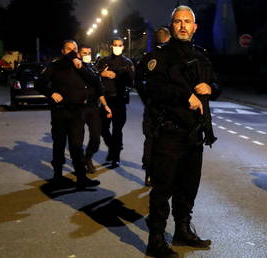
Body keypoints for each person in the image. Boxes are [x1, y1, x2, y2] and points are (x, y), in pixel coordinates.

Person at [144, 6, 221, 257]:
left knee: (188, 187)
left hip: (195, 133)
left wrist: (210, 87)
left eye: (187, 21)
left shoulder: (201, 55)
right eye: (178, 21)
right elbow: (154, 88)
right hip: (169, 132)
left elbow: (217, 84)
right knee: (163, 187)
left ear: (195, 27)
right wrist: (185, 95)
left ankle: (182, 231)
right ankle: (155, 239)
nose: (183, 26)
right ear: (172, 25)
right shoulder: (161, 55)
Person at [36, 40, 100, 189]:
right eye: (68, 49)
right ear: (63, 51)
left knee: (77, 146)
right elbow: (40, 84)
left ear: (77, 52)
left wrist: (81, 67)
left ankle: (81, 177)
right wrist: (51, 93)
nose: (71, 52)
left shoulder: (81, 65)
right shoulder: (55, 66)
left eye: (74, 49)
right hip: (60, 111)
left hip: (78, 111)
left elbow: (96, 82)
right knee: (59, 144)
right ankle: (57, 176)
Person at [136, 26, 172, 186]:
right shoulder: (174, 56)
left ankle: (149, 174)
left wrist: (146, 99)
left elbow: (138, 81)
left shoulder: (148, 57)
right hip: (169, 108)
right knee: (167, 142)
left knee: (150, 140)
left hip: (152, 106)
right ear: (169, 37)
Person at [96, 37, 135, 168]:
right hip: (106, 100)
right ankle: (113, 149)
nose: (117, 47)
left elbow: (132, 81)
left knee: (117, 130)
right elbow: (94, 75)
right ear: (111, 46)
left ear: (123, 47)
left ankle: (115, 157)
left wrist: (118, 75)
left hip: (119, 100)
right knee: (103, 128)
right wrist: (102, 73)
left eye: (120, 45)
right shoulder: (103, 61)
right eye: (115, 45)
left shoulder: (127, 62)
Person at [78, 46, 112, 173]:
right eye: (84, 53)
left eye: (89, 53)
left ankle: (88, 157)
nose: (87, 55)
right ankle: (80, 163)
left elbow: (99, 90)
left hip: (92, 107)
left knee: (96, 138)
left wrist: (105, 105)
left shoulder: (93, 69)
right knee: (78, 139)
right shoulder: (75, 68)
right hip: (79, 108)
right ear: (78, 54)